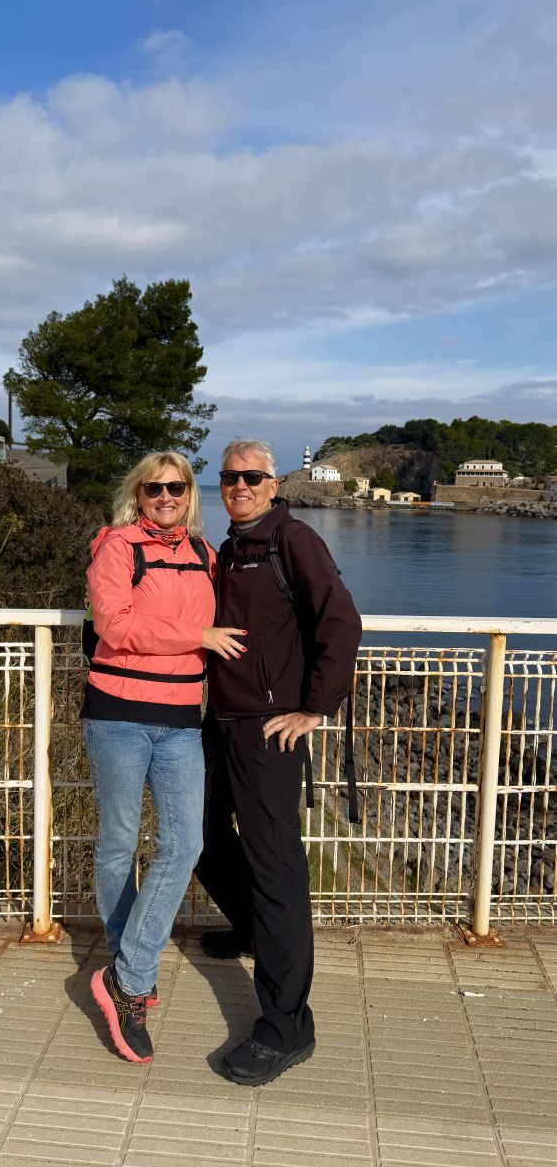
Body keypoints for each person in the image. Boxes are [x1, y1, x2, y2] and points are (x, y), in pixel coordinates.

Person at [196, 438, 362, 1086]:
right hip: (220, 722)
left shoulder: (293, 542)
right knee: (199, 838)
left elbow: (340, 622)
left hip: (269, 734)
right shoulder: (232, 550)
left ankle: (286, 1025)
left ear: (271, 483)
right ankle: (248, 928)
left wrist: (314, 709)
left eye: (251, 477)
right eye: (229, 477)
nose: (238, 485)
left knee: (276, 870)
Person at [82, 451, 245, 1065]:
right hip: (117, 714)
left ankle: (125, 973)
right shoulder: (117, 546)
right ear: (138, 492)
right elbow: (113, 626)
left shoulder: (206, 554)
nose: (167, 496)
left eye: (177, 487)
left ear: (189, 493)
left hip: (181, 720)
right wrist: (195, 638)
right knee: (120, 841)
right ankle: (132, 978)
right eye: (155, 487)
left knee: (185, 842)